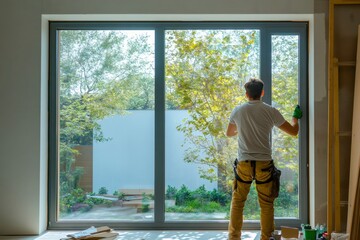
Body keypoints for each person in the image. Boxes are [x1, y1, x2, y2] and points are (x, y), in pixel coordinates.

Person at [226, 78, 303, 240]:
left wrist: (243, 130)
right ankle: (266, 238)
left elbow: (229, 133)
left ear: (247, 94)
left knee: (238, 203)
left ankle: (233, 237)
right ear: (262, 93)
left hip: (244, 163)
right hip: (264, 165)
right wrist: (296, 119)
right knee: (266, 205)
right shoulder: (271, 111)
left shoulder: (238, 111)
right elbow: (293, 132)